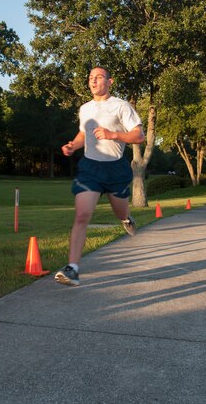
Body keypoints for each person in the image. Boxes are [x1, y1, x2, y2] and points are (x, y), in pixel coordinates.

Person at [55, 66, 145, 286]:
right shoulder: (85, 108)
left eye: (98, 77)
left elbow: (139, 135)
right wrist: (73, 146)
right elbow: (83, 134)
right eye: (90, 78)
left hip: (115, 168)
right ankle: (73, 268)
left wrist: (113, 134)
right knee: (81, 215)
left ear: (110, 81)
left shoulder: (121, 106)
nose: (93, 81)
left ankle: (126, 219)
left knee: (120, 211)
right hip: (90, 169)